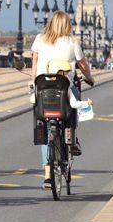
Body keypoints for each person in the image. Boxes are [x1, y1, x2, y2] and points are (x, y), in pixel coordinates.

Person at [31, 11, 94, 185]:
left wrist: (32, 83)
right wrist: (90, 78)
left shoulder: (40, 39)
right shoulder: (73, 42)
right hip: (64, 88)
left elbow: (35, 64)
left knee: (43, 126)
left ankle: (47, 175)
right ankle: (71, 136)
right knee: (71, 107)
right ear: (67, 25)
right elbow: (83, 65)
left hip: (42, 89)